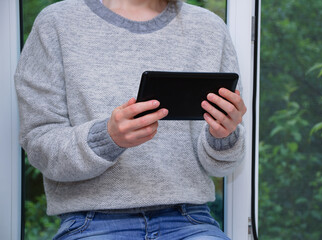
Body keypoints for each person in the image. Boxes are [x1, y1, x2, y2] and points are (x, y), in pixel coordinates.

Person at [15, 0, 247, 239]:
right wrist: (107, 138)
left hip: (189, 220)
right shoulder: (56, 22)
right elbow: (39, 145)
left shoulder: (209, 28)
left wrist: (223, 136)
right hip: (91, 222)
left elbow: (224, 165)